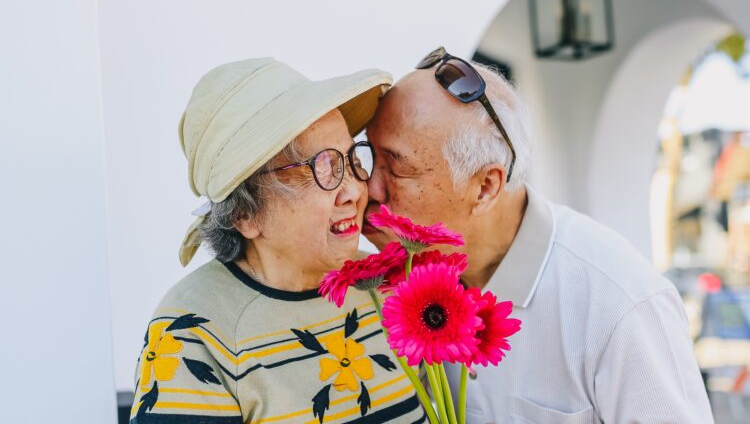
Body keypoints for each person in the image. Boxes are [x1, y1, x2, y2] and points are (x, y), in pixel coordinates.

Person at [363, 47, 714, 423]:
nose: (370, 188)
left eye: (396, 169)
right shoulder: (407, 281)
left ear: (484, 187)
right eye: (368, 157)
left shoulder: (617, 302)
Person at [129, 58, 426, 423]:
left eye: (350, 159)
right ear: (245, 214)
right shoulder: (191, 333)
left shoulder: (387, 283)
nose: (353, 190)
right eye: (321, 167)